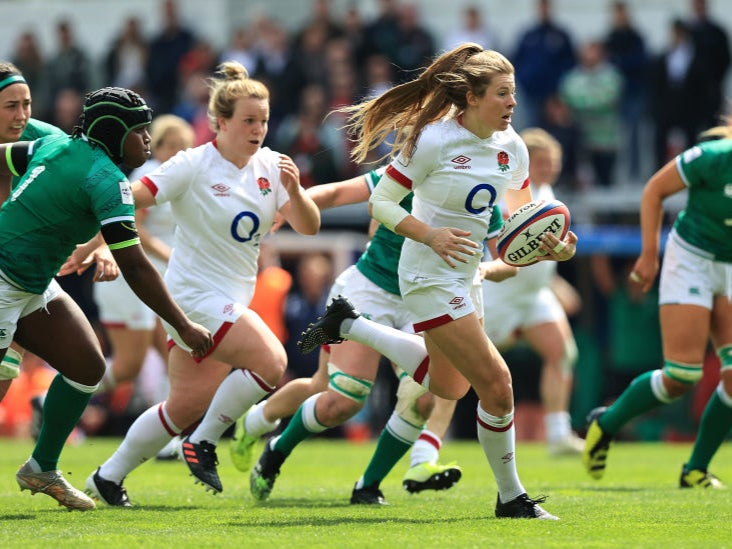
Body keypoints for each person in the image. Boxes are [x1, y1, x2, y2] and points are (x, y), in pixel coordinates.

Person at [264, 44, 579, 520]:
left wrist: (553, 245)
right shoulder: (433, 140)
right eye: (503, 94)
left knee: (447, 388)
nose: (513, 103)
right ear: (472, 96)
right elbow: (382, 204)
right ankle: (511, 498)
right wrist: (430, 235)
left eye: (513, 94)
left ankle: (355, 326)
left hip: (464, 275)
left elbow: (519, 222)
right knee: (497, 384)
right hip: (426, 274)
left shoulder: (511, 146)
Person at [85, 61, 320, 507]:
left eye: (264, 121)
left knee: (183, 407)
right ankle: (205, 441)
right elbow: (131, 198)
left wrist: (298, 190)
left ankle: (106, 477)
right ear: (220, 122)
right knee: (272, 362)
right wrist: (95, 239)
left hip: (228, 299)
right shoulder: (193, 164)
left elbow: (308, 227)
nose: (258, 129)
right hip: (193, 299)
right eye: (248, 121)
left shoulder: (272, 165)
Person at [234, 171, 510, 504]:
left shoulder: (482, 192)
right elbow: (336, 192)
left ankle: (369, 484)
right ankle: (273, 444)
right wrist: (283, 206)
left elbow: (508, 259)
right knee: (340, 400)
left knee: (423, 396)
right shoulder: (412, 168)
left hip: (423, 300)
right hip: (371, 289)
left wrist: (487, 267)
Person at [0, 86, 213, 511]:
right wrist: (183, 325)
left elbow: (3, 156)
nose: (148, 141)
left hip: (32, 282)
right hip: (5, 280)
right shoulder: (108, 180)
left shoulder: (55, 143)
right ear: (114, 132)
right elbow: (134, 265)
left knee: (88, 367)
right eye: (140, 132)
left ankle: (41, 467)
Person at [582, 123, 732, 489]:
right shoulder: (713, 157)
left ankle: (695, 469)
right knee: (683, 375)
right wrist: (649, 254)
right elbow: (654, 191)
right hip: (691, 258)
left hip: (729, 265)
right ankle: (608, 423)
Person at [482, 127, 583, 456]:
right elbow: (508, 249)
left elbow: (540, 254)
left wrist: (554, 282)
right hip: (498, 293)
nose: (549, 167)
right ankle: (425, 435)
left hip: (535, 296)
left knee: (562, 353)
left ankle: (558, 435)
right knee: (458, 370)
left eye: (553, 161)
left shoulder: (548, 193)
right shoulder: (506, 192)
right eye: (542, 161)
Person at [0, 62, 66, 404]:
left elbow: (74, 160)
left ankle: (43, 459)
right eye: (11, 106)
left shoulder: (42, 138)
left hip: (20, 271)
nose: (22, 115)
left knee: (88, 365)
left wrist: (96, 244)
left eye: (27, 104)